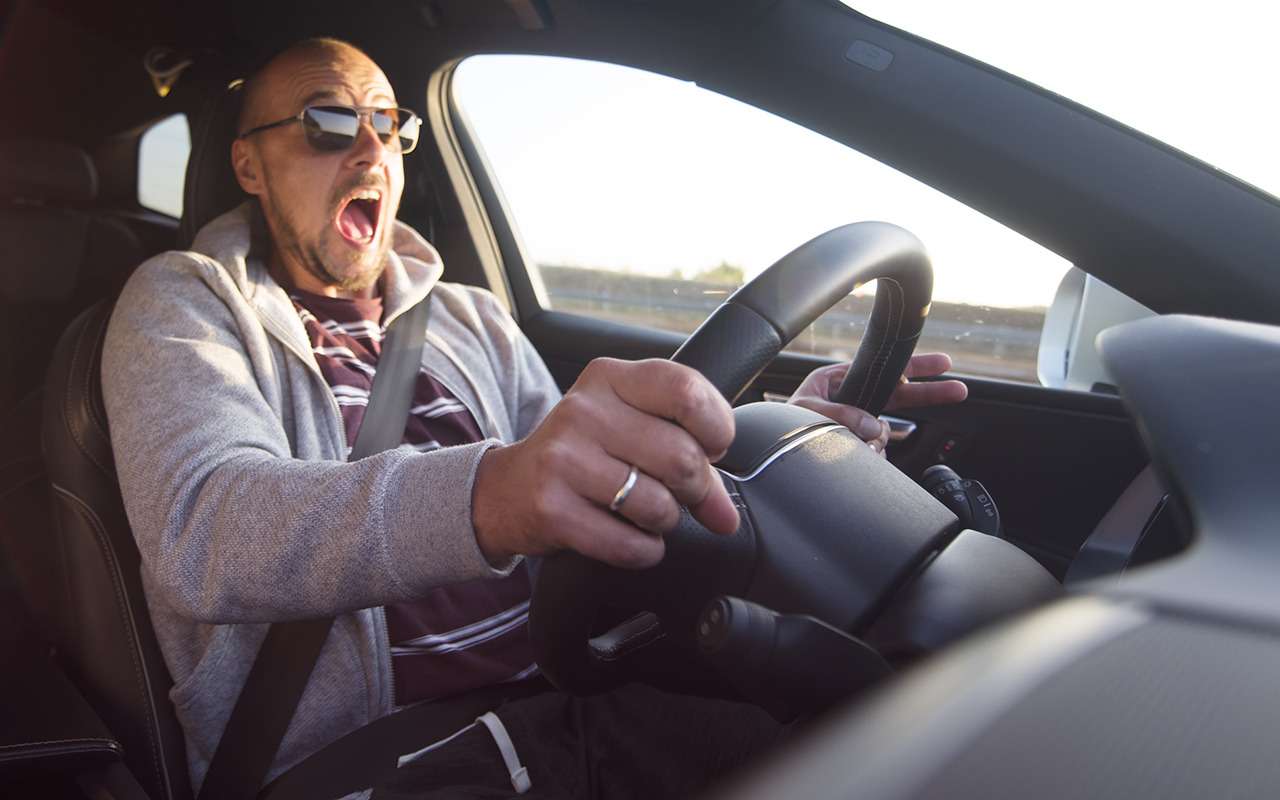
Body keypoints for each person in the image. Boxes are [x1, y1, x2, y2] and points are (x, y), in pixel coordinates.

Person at [101, 37, 966, 798]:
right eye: (327, 122)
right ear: (249, 165)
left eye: (389, 123)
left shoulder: (470, 317)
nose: (370, 147)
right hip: (376, 760)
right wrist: (490, 493)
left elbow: (583, 488)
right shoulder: (187, 302)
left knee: (892, 711)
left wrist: (765, 433)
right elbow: (203, 528)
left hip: (572, 692)